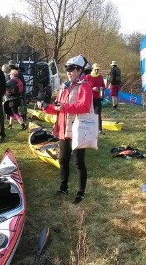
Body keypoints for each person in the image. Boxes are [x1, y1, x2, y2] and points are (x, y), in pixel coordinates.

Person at [37, 55, 93, 204]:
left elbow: (85, 106)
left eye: (72, 69)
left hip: (77, 129)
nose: (69, 72)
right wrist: (45, 107)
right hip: (63, 129)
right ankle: (63, 188)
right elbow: (57, 108)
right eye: (67, 69)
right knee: (63, 160)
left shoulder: (85, 86)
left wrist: (64, 107)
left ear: (80, 70)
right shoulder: (64, 86)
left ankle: (80, 193)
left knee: (79, 162)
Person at [85, 63, 105, 134]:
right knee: (89, 114)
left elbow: (103, 85)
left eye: (98, 70)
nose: (97, 71)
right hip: (89, 98)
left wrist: (101, 88)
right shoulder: (87, 77)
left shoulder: (100, 77)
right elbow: (85, 87)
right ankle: (88, 128)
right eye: (95, 69)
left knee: (98, 113)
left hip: (97, 98)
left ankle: (99, 129)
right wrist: (92, 88)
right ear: (92, 69)